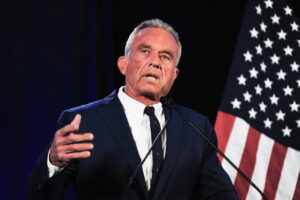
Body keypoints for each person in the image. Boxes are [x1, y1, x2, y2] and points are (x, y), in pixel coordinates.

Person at [26, 19, 238, 200]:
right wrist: (52, 164)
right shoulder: (82, 121)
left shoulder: (196, 128)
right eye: (145, 51)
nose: (155, 62)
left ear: (174, 75)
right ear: (123, 64)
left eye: (165, 56)